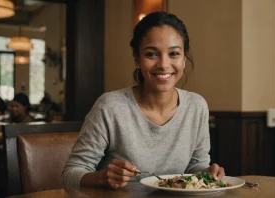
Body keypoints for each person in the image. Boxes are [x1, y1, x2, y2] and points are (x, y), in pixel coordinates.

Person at [62, 12, 225, 189]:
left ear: (184, 59)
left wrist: (208, 174)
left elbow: (195, 168)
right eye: (151, 54)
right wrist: (103, 178)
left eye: (174, 53)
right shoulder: (110, 106)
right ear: (137, 58)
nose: (163, 64)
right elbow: (70, 174)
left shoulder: (196, 106)